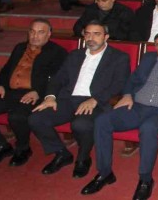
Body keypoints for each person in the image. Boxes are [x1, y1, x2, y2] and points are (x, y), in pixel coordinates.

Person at [82, 31, 158, 199]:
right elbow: (132, 80)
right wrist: (127, 95)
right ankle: (104, 173)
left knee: (148, 128)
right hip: (137, 107)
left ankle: (145, 179)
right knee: (102, 120)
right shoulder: (148, 58)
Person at [29, 21, 130, 178]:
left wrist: (95, 99)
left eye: (96, 34)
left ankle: (83, 158)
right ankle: (61, 153)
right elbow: (58, 79)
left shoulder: (119, 57)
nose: (91, 38)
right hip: (68, 99)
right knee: (36, 118)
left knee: (81, 124)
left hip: (95, 102)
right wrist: (50, 97)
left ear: (106, 37)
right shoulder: (75, 55)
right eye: (87, 34)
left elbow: (119, 84)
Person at [0, 19, 66, 166]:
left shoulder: (57, 52)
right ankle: (1, 146)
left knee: (16, 116)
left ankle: (23, 148)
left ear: (49, 34)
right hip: (10, 92)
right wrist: (0, 85)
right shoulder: (20, 48)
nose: (35, 36)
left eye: (40, 32)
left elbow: (57, 79)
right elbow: (6, 69)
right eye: (32, 31)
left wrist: (38, 92)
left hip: (34, 95)